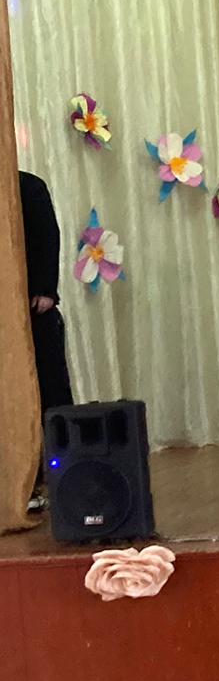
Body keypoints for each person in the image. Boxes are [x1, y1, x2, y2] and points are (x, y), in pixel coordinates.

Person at [19, 170, 72, 513]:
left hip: (34, 310)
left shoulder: (28, 186)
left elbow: (48, 237)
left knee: (51, 390)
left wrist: (45, 289)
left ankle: (66, 474)